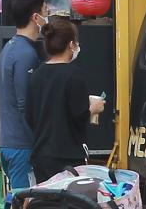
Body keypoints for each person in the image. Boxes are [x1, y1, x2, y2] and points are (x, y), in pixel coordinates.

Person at [0, 0, 47, 209]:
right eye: (45, 9)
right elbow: (25, 103)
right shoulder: (26, 53)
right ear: (35, 16)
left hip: (10, 140)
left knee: (16, 200)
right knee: (22, 203)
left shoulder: (10, 48)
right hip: (22, 143)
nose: (48, 13)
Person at [26, 17, 102, 182]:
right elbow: (79, 116)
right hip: (68, 156)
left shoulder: (36, 74)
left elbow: (29, 116)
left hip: (41, 155)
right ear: (70, 45)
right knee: (69, 204)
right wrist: (94, 109)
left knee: (46, 204)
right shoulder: (74, 75)